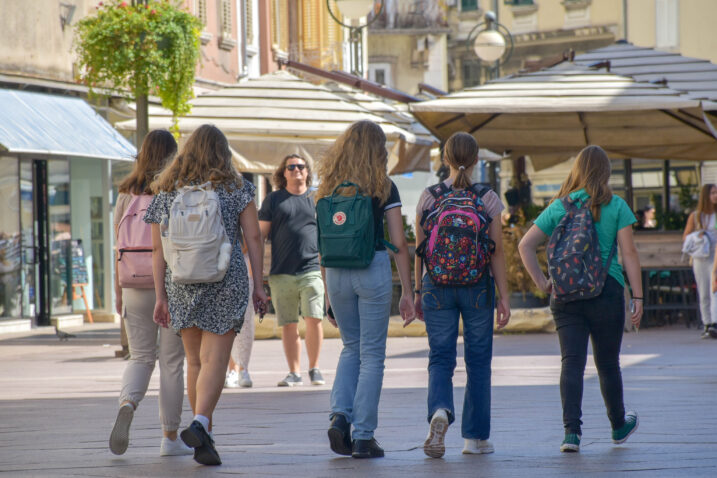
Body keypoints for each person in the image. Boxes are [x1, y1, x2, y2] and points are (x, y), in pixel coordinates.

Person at [144, 125, 268, 466]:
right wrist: (259, 284)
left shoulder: (166, 190)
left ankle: (204, 439)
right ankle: (200, 423)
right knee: (216, 360)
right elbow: (254, 239)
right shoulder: (236, 187)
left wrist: (160, 297)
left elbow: (157, 250)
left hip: (181, 283)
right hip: (225, 280)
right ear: (223, 152)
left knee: (196, 361)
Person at [518, 145, 643, 453]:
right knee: (607, 363)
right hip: (607, 291)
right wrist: (638, 296)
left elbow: (525, 245)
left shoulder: (560, 206)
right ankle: (618, 426)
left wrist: (544, 283)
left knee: (571, 362)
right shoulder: (617, 206)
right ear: (606, 171)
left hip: (566, 293)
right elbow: (629, 254)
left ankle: (571, 434)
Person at [318, 120, 415, 459]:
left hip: (335, 273)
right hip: (371, 267)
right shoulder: (383, 186)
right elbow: (399, 243)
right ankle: (363, 437)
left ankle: (340, 415)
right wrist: (407, 291)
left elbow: (322, 242)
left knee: (351, 347)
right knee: (372, 355)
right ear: (378, 151)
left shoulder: (328, 187)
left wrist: (328, 293)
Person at [414, 133, 511, 458]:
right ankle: (474, 439)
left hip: (436, 286)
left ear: (445, 158)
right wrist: (504, 296)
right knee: (479, 362)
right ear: (476, 160)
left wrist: (417, 290)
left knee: (440, 358)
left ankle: (440, 410)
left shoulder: (429, 197)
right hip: (477, 286)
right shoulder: (488, 199)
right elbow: (496, 252)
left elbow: (420, 251)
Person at [109, 130, 192, 457]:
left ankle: (128, 401)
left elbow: (116, 245)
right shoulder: (175, 191)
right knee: (172, 362)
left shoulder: (126, 194)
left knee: (141, 356)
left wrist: (118, 291)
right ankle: (169, 439)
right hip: (170, 284)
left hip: (131, 282)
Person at [258, 154, 326, 387]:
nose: (296, 170)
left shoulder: (318, 199)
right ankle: (294, 372)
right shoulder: (274, 200)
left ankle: (315, 368)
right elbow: (259, 236)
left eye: (301, 166)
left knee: (314, 318)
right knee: (288, 323)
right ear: (283, 172)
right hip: (281, 272)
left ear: (307, 171)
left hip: (312, 269)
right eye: (291, 167)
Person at [684, 184, 717, 338]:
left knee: (714, 290)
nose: (715, 195)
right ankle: (707, 323)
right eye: (712, 193)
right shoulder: (696, 216)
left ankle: (715, 323)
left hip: (715, 256)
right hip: (700, 257)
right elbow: (686, 236)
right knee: (703, 290)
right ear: (706, 195)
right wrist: (698, 236)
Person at [225, 247, 255, 388]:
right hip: (218, 269)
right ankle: (233, 369)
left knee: (246, 323)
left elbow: (254, 239)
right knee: (226, 321)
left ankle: (243, 368)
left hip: (244, 269)